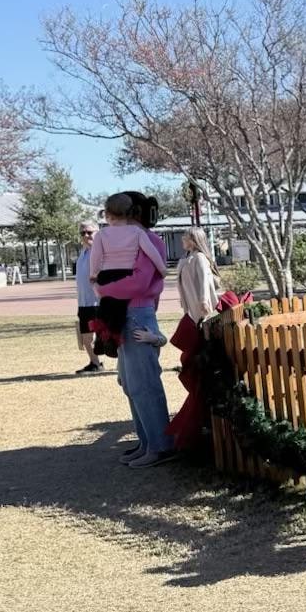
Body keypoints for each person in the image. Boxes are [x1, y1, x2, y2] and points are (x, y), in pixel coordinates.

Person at [95, 192, 175, 468]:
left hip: (136, 312)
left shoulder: (148, 239)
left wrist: (103, 289)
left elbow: (139, 283)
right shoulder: (129, 238)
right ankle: (148, 441)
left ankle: (161, 445)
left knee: (144, 384)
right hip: (125, 313)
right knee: (131, 384)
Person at [88, 192, 170, 355]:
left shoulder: (103, 234)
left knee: (106, 309)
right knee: (116, 312)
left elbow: (95, 257)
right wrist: (162, 269)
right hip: (128, 280)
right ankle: (110, 338)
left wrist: (95, 280)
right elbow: (153, 255)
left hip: (124, 295)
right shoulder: (139, 234)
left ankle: (101, 336)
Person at [73, 223, 104, 372]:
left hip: (99, 302)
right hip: (84, 303)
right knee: (86, 337)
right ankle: (95, 363)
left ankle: (124, 364)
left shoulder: (101, 252)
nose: (86, 236)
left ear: (97, 233)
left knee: (108, 335)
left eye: (89, 232)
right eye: (82, 233)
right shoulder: (83, 253)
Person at [176, 228, 221, 324]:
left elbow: (204, 279)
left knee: (202, 327)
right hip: (189, 301)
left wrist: (204, 301)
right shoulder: (186, 257)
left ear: (193, 240)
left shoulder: (199, 257)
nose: (182, 239)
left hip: (199, 302)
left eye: (185, 237)